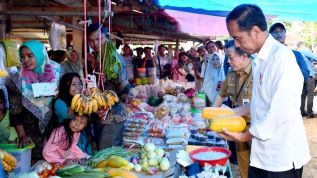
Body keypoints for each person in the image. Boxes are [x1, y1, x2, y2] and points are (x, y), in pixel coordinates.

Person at [221, 4, 310, 178]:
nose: (237, 45)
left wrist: (244, 136)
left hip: (281, 158)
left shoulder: (282, 58)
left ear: (255, 31)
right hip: (261, 155)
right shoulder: (258, 59)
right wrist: (231, 113)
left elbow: (279, 111)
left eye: (238, 38)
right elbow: (259, 102)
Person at [6, 40, 62, 160]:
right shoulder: (17, 81)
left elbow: (68, 97)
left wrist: (60, 94)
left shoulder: (57, 72)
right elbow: (15, 112)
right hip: (30, 133)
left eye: (30, 56)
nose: (25, 60)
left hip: (56, 131)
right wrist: (22, 135)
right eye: (22, 56)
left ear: (40, 54)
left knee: (55, 165)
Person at [87, 23, 130, 150]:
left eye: (98, 39)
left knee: (108, 156)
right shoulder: (98, 57)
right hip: (100, 114)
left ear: (107, 38)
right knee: (103, 153)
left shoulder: (113, 58)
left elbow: (124, 87)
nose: (94, 43)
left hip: (112, 117)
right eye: (91, 41)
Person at [213, 40, 252, 178]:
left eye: (230, 57)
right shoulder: (231, 73)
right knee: (243, 168)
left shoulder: (258, 72)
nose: (228, 61)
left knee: (259, 168)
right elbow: (220, 96)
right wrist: (210, 116)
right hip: (237, 127)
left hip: (256, 130)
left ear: (244, 56)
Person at [54, 73, 91, 155]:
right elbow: (67, 115)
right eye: (73, 84)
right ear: (65, 86)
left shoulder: (82, 99)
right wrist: (79, 99)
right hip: (65, 138)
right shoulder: (59, 102)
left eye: (80, 84)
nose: (77, 87)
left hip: (81, 137)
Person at [297, 41, 317, 118]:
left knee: (303, 95)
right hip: (309, 75)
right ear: (303, 45)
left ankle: (302, 112)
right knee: (310, 94)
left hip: (301, 76)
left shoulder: (296, 53)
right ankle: (309, 113)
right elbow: (315, 58)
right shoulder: (304, 50)